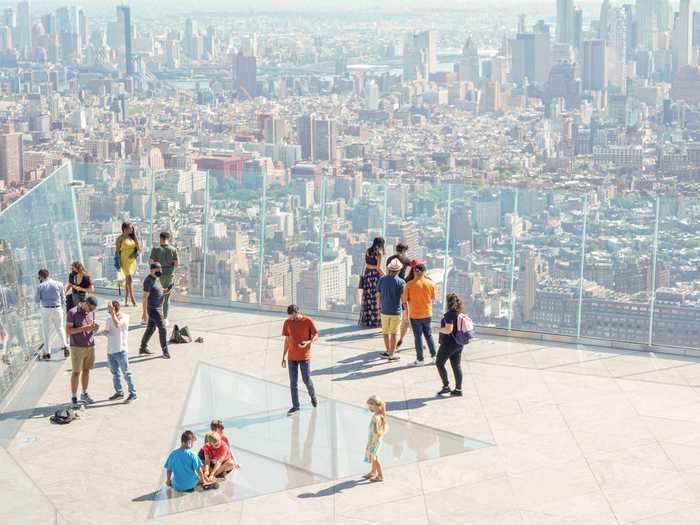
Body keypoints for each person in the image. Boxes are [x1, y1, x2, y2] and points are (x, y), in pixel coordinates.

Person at [281, 304, 318, 416]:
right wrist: (283, 356)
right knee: (293, 383)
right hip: (292, 357)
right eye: (290, 316)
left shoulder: (307, 321)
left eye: (292, 316)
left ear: (297, 312)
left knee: (306, 380)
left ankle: (313, 395)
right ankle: (296, 406)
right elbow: (287, 340)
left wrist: (308, 342)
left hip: (304, 357)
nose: (291, 318)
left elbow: (316, 335)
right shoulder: (287, 322)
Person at [66, 296, 99, 408]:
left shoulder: (91, 312)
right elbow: (69, 331)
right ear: (85, 303)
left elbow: (91, 327)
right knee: (76, 372)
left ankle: (84, 394)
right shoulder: (72, 312)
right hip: (77, 347)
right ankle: (74, 397)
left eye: (93, 310)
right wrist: (85, 328)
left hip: (90, 345)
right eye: (90, 309)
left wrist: (94, 328)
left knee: (87, 370)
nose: (91, 311)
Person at [403, 263, 437, 366]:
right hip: (427, 313)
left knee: (418, 337)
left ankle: (420, 359)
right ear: (424, 272)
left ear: (414, 271)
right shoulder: (431, 284)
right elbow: (434, 298)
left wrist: (406, 314)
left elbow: (405, 300)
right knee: (429, 335)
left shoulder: (409, 284)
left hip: (415, 315)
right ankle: (434, 356)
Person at [436, 293, 469, 397]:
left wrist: (437, 329)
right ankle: (458, 389)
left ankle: (446, 387)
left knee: (439, 363)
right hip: (459, 343)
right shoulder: (461, 313)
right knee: (456, 365)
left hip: (448, 344)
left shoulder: (450, 314)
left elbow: (448, 329)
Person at [104, 300, 137, 402]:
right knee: (115, 374)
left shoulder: (125, 317)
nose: (108, 311)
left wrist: (113, 314)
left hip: (121, 350)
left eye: (109, 309)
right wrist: (104, 332)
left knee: (126, 373)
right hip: (111, 351)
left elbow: (118, 325)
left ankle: (133, 393)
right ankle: (119, 393)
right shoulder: (109, 319)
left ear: (114, 309)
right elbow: (108, 331)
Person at [35, 269, 69, 360]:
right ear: (48, 274)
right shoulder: (59, 284)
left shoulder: (40, 286)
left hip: (46, 309)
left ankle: (47, 352)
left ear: (41, 277)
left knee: (46, 331)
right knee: (60, 328)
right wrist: (63, 308)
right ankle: (65, 346)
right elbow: (63, 298)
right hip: (58, 308)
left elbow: (37, 300)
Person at [376, 258, 405, 362]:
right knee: (393, 334)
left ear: (389, 269)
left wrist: (378, 309)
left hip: (384, 311)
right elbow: (403, 299)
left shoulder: (382, 279)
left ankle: (388, 351)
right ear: (398, 270)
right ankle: (392, 355)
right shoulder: (401, 282)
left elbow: (378, 295)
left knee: (385, 333)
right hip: (396, 312)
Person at [139, 262, 171, 359]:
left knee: (151, 328)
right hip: (153, 309)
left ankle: (143, 347)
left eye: (161, 269)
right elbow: (145, 297)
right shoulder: (148, 281)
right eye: (158, 269)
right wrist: (144, 313)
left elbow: (160, 291)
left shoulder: (156, 279)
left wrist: (167, 289)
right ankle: (165, 351)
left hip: (159, 308)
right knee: (163, 328)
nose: (160, 271)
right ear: (152, 270)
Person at [148, 232, 179, 322]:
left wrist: (158, 263)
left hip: (158, 275)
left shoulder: (156, 249)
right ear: (168, 239)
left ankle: (154, 317)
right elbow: (177, 264)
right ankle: (165, 318)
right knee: (166, 298)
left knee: (156, 296)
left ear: (160, 239)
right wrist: (170, 263)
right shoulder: (173, 249)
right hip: (169, 275)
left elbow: (150, 262)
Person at [386, 243, 411, 348]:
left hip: (391, 282)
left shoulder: (390, 258)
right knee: (403, 304)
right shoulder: (405, 259)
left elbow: (388, 271)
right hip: (401, 283)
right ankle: (400, 322)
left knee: (392, 302)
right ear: (404, 250)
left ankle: (389, 323)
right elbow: (414, 267)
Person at [358, 237, 385, 328]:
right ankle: (376, 321)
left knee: (367, 297)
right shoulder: (379, 253)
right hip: (374, 277)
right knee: (376, 298)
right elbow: (378, 268)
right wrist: (385, 275)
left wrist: (371, 267)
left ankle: (367, 321)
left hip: (367, 275)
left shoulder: (368, 251)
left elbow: (368, 264)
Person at [363, 395, 387, 482]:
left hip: (374, 441)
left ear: (376, 405)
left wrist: (372, 441)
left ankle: (380, 475)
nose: (369, 408)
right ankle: (373, 472)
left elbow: (377, 431)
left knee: (375, 458)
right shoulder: (378, 415)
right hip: (374, 440)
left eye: (370, 406)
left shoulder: (377, 417)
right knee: (373, 457)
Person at [116, 222, 140, 307]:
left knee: (128, 281)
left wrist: (135, 234)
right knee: (130, 280)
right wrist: (117, 264)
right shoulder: (120, 238)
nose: (132, 229)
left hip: (132, 261)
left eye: (132, 228)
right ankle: (133, 301)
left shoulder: (132, 237)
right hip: (124, 260)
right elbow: (117, 252)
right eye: (130, 228)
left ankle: (126, 300)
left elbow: (138, 247)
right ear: (125, 229)